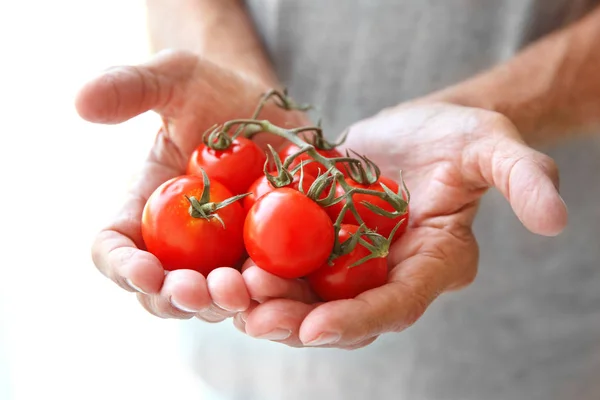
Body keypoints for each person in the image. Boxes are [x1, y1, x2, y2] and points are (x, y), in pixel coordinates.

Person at [75, 1, 600, 399]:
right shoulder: (305, 204)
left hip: (528, 343)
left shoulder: (318, 210)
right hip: (236, 353)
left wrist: (487, 107)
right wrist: (229, 74)